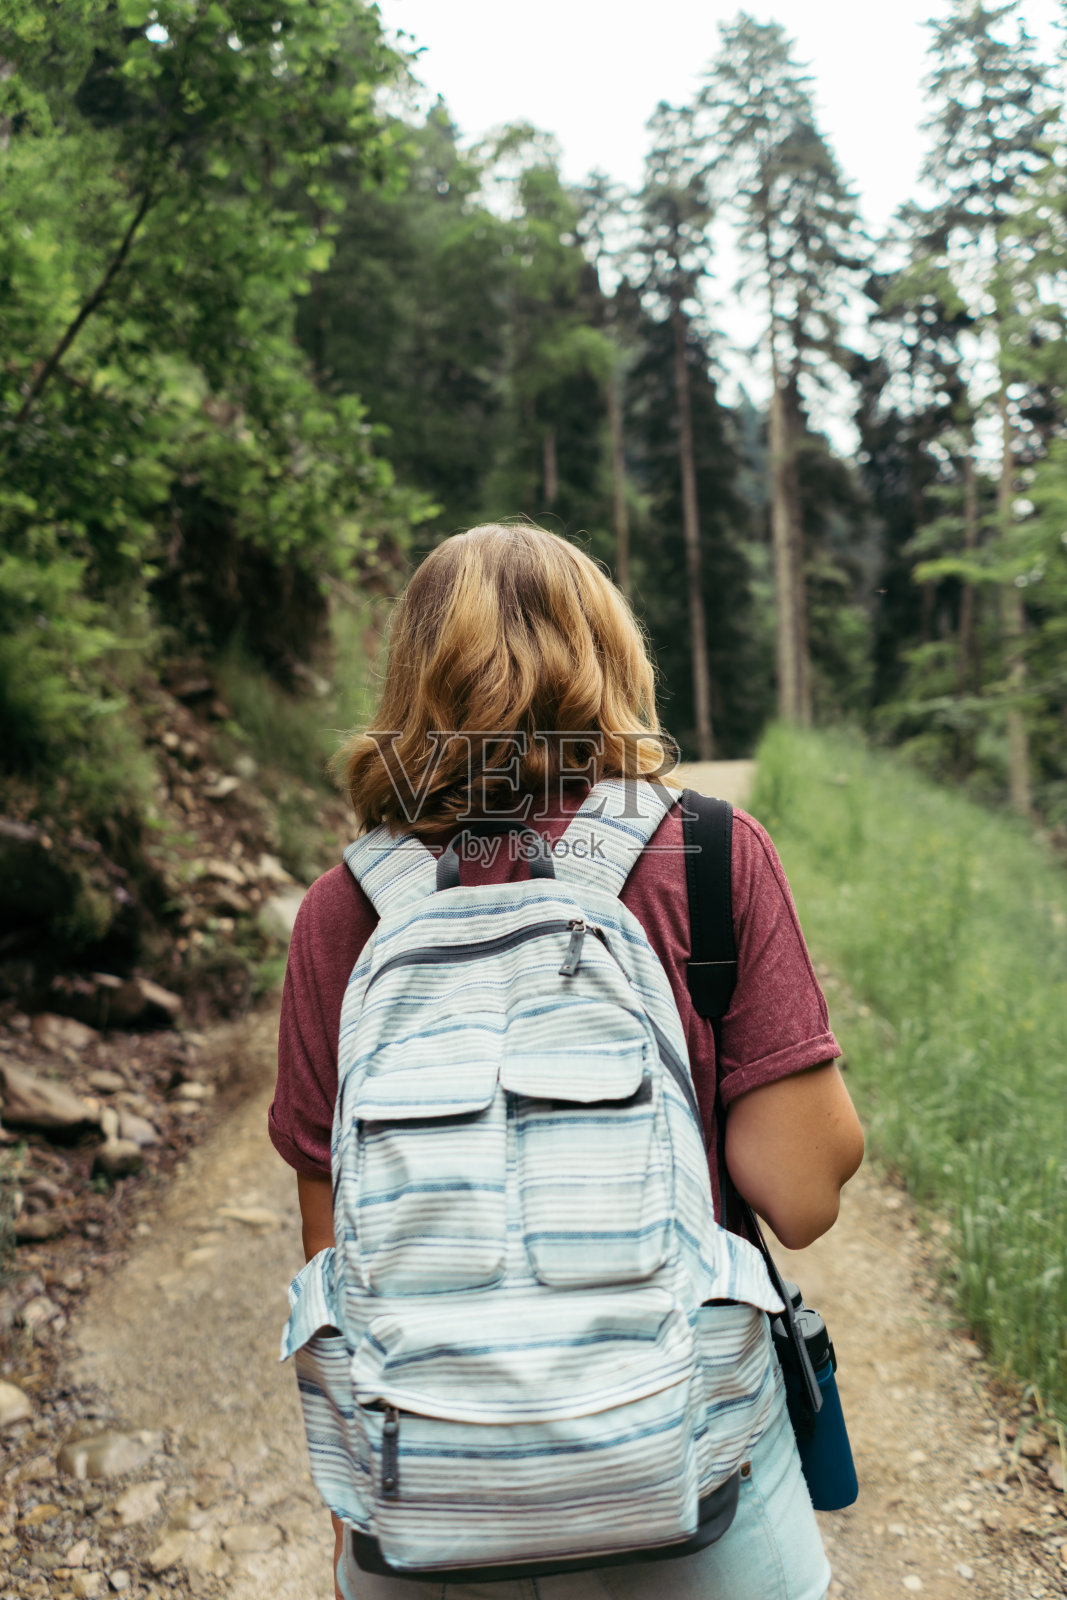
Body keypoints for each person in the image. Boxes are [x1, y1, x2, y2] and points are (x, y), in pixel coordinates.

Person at [270, 521, 865, 1600]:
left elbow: (334, 1247)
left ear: (410, 680)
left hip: (432, 1493)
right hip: (684, 1457)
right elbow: (801, 1192)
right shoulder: (706, 852)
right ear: (611, 657)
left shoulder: (342, 909)